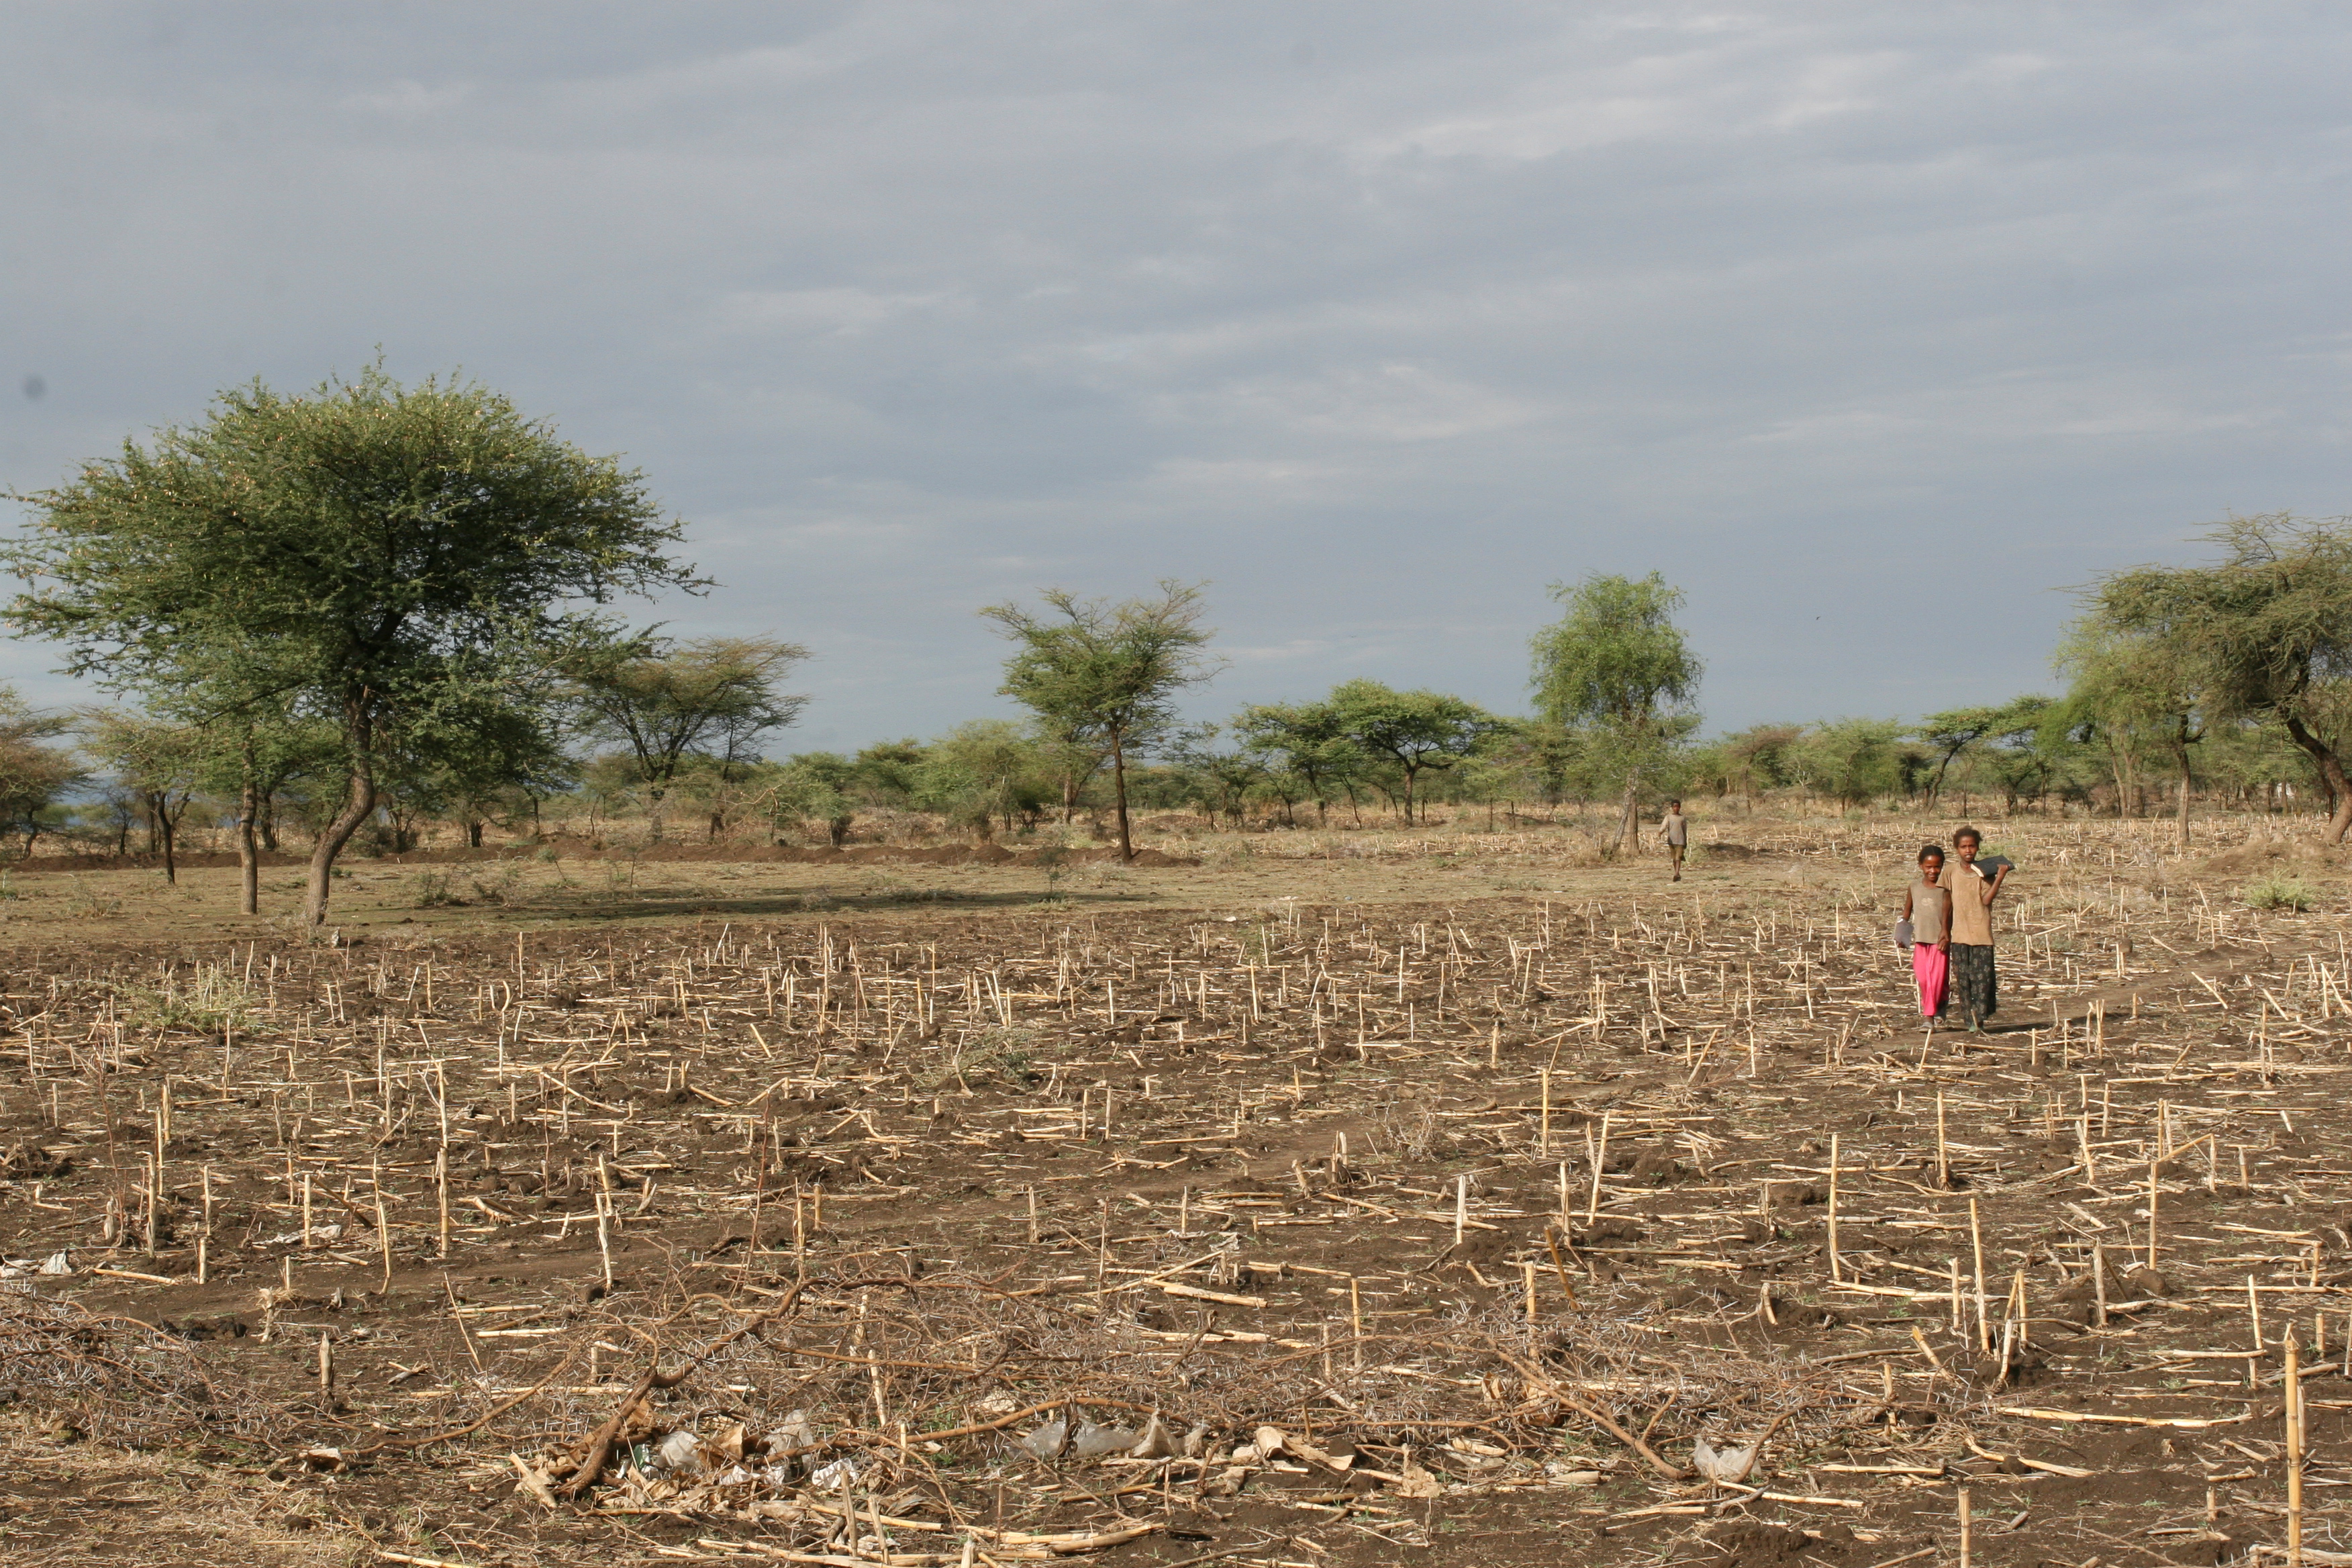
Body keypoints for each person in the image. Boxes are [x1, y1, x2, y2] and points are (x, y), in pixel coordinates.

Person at [1937, 826, 2010, 1030]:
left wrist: (1999, 878)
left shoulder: (1985, 872)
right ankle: (1971, 1021)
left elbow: (1986, 900)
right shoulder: (1950, 871)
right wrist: (1945, 929)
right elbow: (1947, 901)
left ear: (1978, 848)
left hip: (1981, 935)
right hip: (1959, 935)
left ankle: (1979, 1019)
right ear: (1957, 848)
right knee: (1964, 981)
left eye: (1972, 846)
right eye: (1963, 847)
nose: (1968, 850)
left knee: (1982, 981)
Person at [1900, 844, 1951, 1020]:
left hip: (1939, 940)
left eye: (1937, 867)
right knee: (1923, 978)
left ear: (1942, 866)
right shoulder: (1914, 887)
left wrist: (1946, 933)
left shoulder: (1945, 889)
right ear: (1921, 866)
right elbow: (1907, 912)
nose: (1933, 871)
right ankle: (1942, 1001)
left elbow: (1949, 914)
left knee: (1935, 980)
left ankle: (1929, 1017)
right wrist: (1901, 935)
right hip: (1921, 940)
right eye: (1929, 867)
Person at [1661, 799, 1688, 882]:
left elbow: (1685, 830)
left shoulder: (1682, 818)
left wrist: (1685, 840)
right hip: (1671, 841)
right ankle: (1676, 872)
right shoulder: (1668, 817)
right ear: (1672, 808)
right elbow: (1664, 826)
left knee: (1678, 857)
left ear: (1680, 807)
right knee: (1674, 858)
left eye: (1678, 807)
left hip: (1680, 840)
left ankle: (1677, 873)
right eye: (1674, 807)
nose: (1676, 808)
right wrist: (1660, 832)